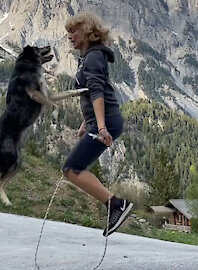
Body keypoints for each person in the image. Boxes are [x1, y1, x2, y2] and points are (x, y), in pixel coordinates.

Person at [62, 12, 133, 237]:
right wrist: (88, 122)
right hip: (102, 120)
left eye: (74, 31)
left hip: (107, 122)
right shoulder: (89, 56)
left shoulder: (93, 57)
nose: (70, 36)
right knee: (73, 168)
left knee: (71, 169)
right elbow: (90, 93)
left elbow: (97, 91)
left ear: (88, 32)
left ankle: (116, 204)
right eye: (68, 33)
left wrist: (100, 127)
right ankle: (114, 204)